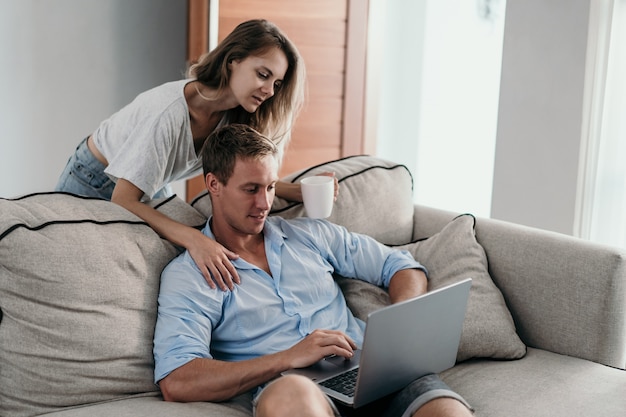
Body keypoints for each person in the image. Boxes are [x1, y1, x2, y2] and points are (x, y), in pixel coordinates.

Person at [152, 124, 473, 417]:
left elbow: (400, 266)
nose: (264, 203)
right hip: (295, 387)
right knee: (292, 394)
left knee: (448, 411)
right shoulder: (190, 275)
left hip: (372, 371)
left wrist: (401, 326)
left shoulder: (310, 234)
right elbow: (178, 380)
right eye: (251, 189)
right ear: (214, 184)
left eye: (271, 187)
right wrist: (288, 357)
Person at [55, 19, 333, 291]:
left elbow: (236, 178)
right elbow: (124, 199)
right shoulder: (168, 113)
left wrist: (298, 191)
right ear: (232, 60)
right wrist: (194, 240)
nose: (270, 90)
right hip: (95, 180)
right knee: (70, 272)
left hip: (146, 181)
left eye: (277, 83)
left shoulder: (233, 118)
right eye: (263, 74)